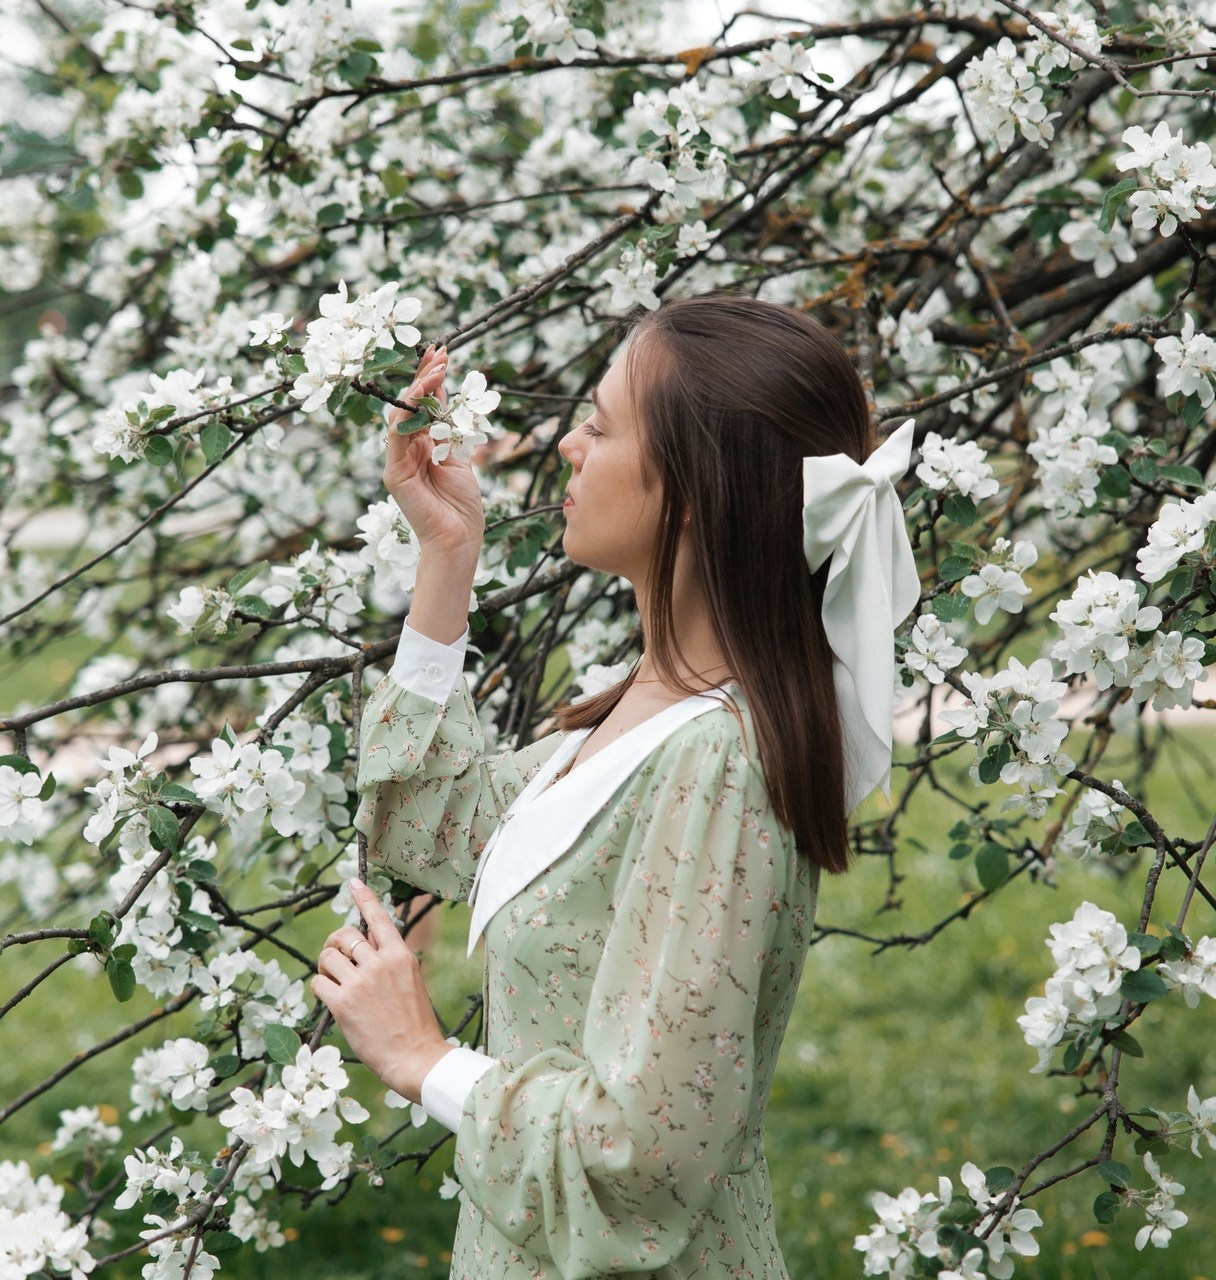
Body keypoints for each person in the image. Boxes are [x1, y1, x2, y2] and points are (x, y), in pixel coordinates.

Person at [313, 293, 920, 1278]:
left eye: (598, 425)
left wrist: (424, 1058)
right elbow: (426, 821)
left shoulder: (718, 764)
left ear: (692, 487)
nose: (567, 447)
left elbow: (641, 1152)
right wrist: (446, 555)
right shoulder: (641, 707)